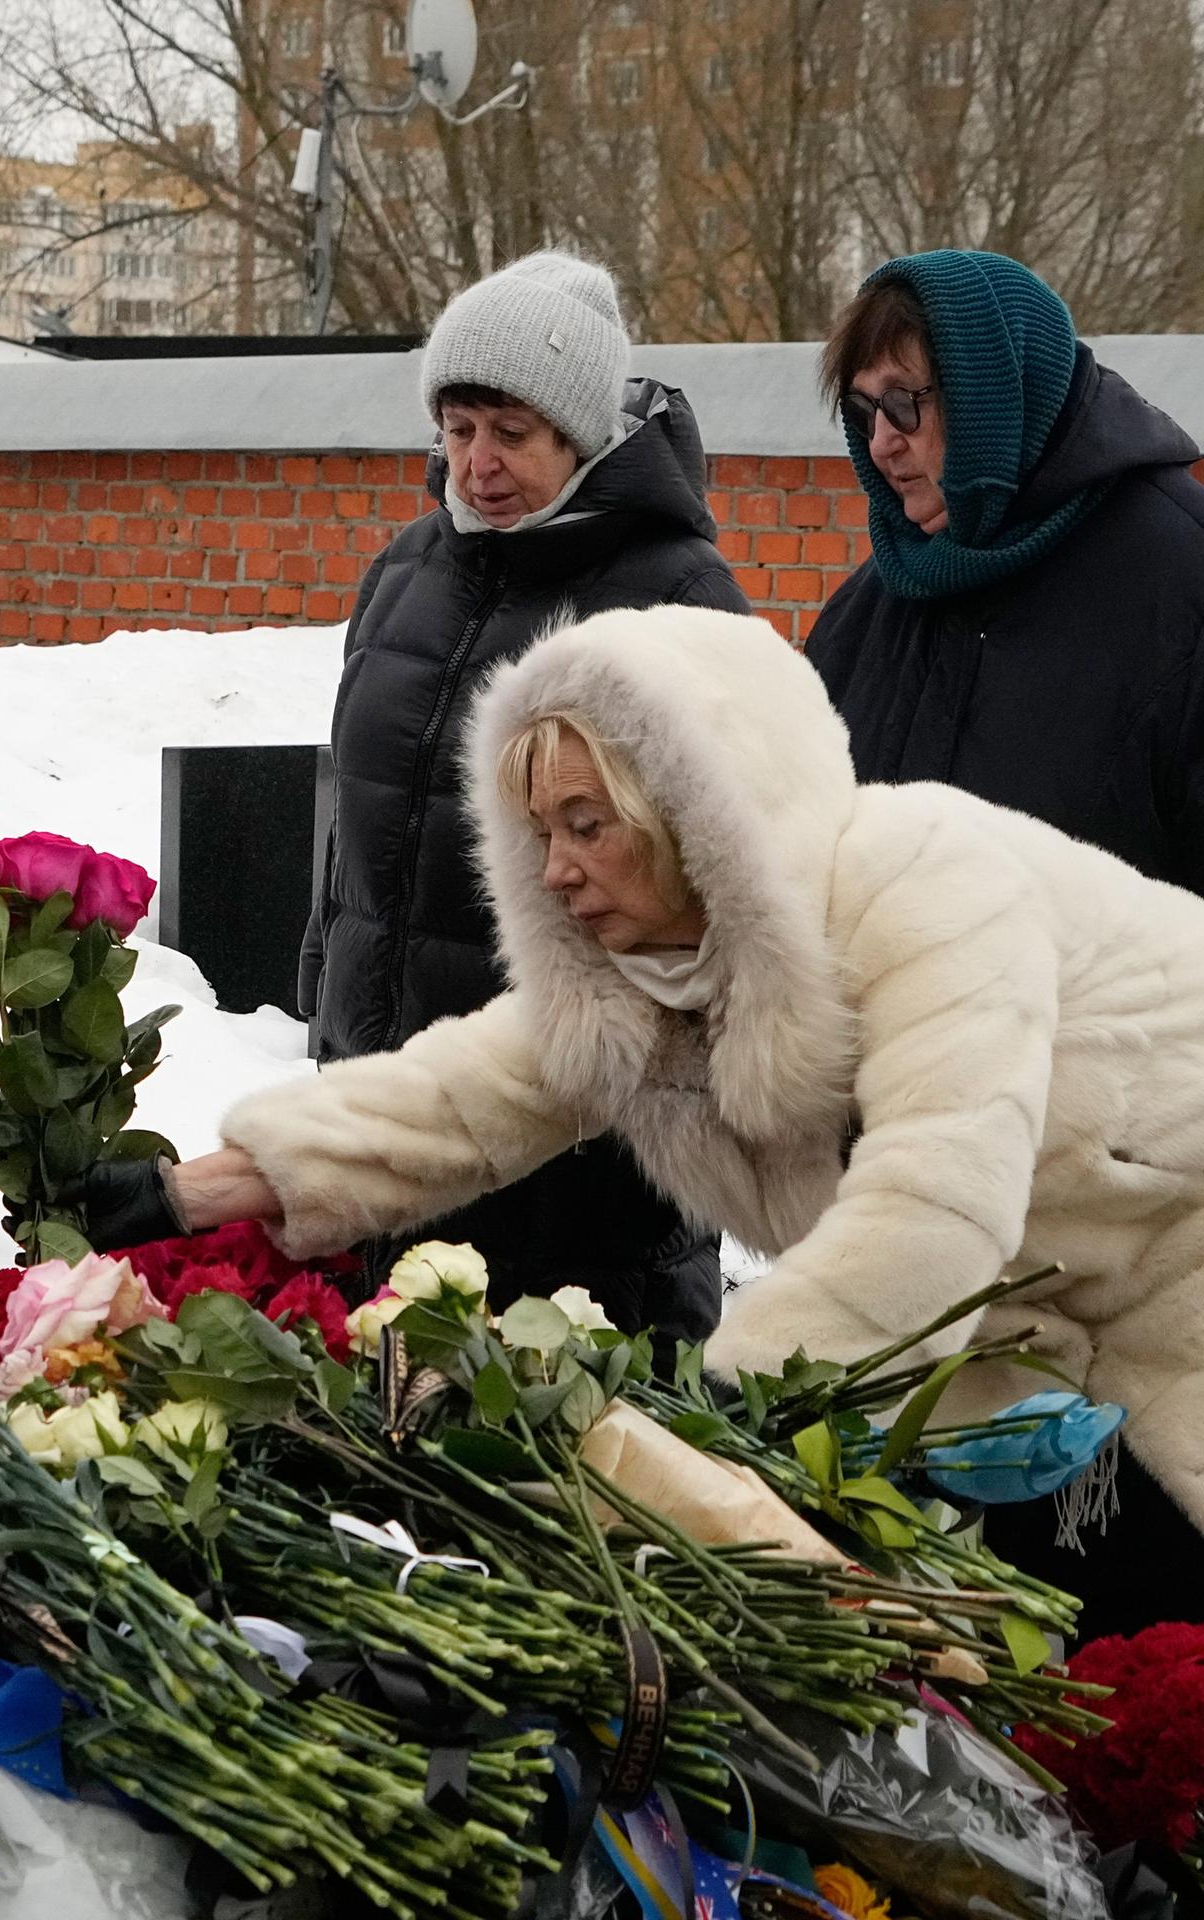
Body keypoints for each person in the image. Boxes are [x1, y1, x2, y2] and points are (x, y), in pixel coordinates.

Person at [155, 603, 1204, 1638]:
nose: (556, 868)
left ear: (693, 813)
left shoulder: (925, 879)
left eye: (588, 824)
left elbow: (936, 1196)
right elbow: (457, 1101)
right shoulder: (656, 974)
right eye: (538, 835)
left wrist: (722, 1420)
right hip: (1043, 1333)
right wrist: (184, 1194)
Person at [295, 247, 749, 1336]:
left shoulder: (676, 599)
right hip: (391, 1110)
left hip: (582, 1159)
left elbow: (728, 887)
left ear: (581, 436)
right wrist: (325, 1010)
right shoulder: (405, 571)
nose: (478, 464)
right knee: (393, 1444)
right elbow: (351, 819)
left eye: (513, 434)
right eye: (457, 429)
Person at [809, 249, 1204, 890]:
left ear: (992, 392)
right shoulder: (867, 609)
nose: (882, 440)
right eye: (864, 409)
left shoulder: (1181, 586)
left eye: (904, 402)